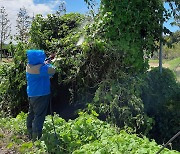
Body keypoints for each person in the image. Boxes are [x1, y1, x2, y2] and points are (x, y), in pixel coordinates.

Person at [26, 49, 55, 140]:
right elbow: (52, 70)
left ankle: (30, 133)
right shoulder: (41, 69)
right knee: (39, 115)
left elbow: (41, 65)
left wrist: (46, 61)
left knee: (31, 113)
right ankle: (36, 137)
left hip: (32, 94)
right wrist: (49, 63)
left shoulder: (29, 66)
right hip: (41, 94)